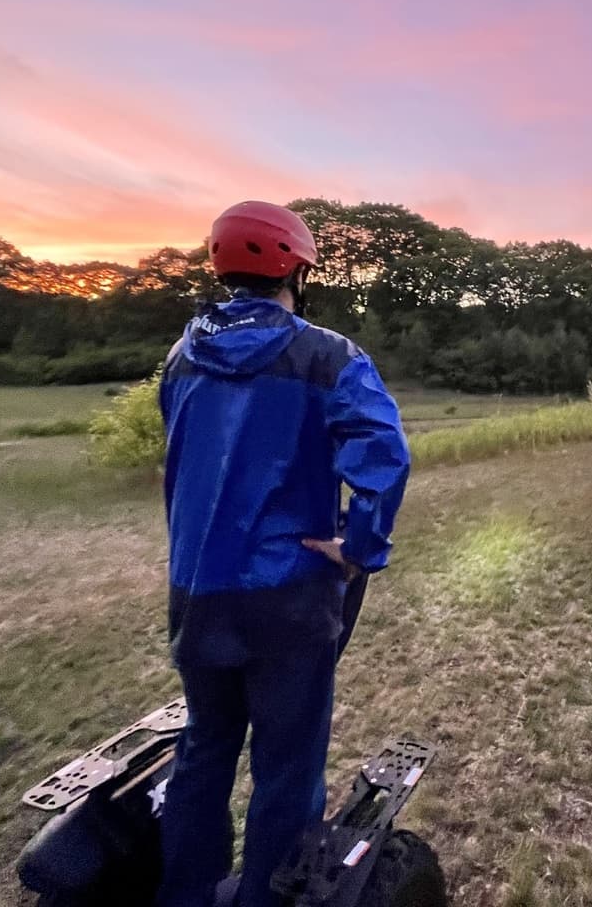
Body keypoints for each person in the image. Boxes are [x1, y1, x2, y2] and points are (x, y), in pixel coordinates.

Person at [155, 200, 410, 907]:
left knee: (204, 750)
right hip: (289, 594)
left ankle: (184, 894)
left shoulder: (180, 358)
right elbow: (385, 460)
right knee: (287, 765)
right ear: (296, 268)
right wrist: (358, 549)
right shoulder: (328, 354)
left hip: (195, 590)